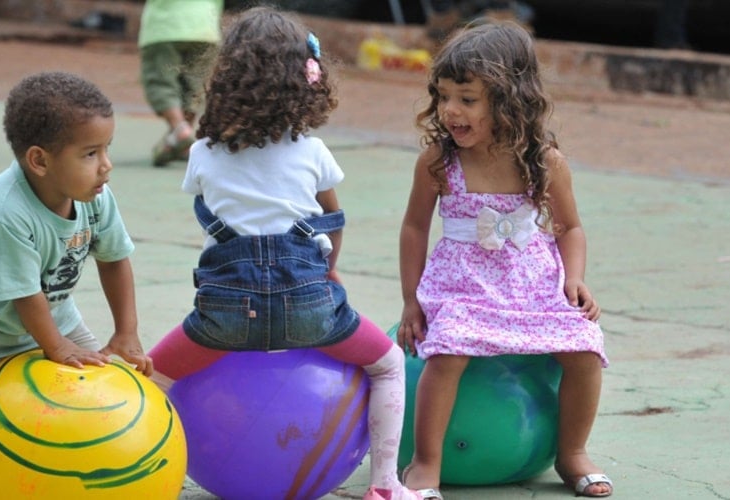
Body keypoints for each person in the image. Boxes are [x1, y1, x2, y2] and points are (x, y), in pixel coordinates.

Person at [145, 7, 424, 500]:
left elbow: (210, 213)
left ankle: (145, 479)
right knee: (387, 364)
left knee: (150, 377)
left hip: (223, 320)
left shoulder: (203, 152)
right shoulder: (312, 152)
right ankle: (385, 485)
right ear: (306, 82)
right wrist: (329, 270)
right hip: (312, 311)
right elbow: (333, 222)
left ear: (224, 79)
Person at [0, 71, 154, 500]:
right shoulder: (3, 211)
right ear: (39, 161)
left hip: (54, 315)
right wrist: (57, 348)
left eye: (107, 149)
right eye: (91, 153)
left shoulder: (96, 197)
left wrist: (125, 333)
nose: (106, 165)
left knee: (96, 387)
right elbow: (24, 294)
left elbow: (114, 260)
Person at [397, 21, 612, 498]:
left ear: (510, 100)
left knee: (584, 348)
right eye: (444, 95)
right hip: (462, 282)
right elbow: (414, 228)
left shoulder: (544, 160)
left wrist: (574, 279)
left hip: (533, 280)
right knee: (448, 350)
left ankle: (571, 452)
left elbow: (570, 228)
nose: (451, 110)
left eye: (467, 99)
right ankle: (426, 463)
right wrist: (412, 302)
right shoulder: (438, 160)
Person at [138, 0, 223, 167]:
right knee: (194, 88)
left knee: (161, 82)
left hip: (165, 26)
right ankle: (182, 141)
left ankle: (180, 130)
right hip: (205, 26)